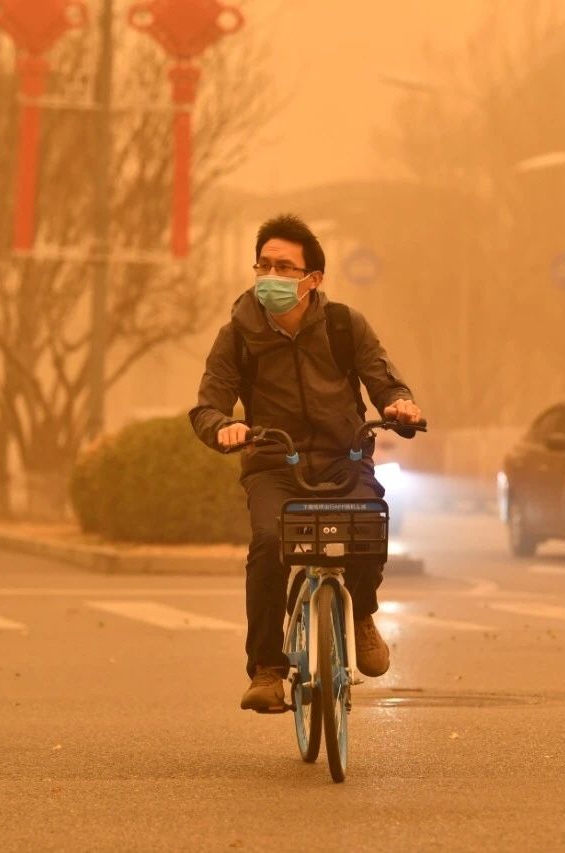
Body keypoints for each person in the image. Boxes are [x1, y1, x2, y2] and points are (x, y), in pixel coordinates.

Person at [189, 214, 424, 713]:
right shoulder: (237, 335)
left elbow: (385, 383)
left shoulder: (344, 326)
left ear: (313, 279)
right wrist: (223, 427)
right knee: (268, 544)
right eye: (264, 265)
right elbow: (207, 406)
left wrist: (399, 406)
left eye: (285, 268)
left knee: (370, 525)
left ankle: (361, 613)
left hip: (345, 457)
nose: (271, 276)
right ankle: (266, 669)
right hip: (275, 464)